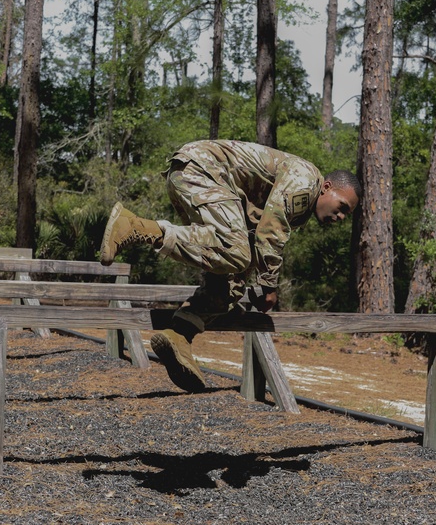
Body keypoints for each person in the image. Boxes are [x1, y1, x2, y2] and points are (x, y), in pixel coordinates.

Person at [98, 140, 361, 393]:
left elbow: (255, 233)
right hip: (202, 169)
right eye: (342, 207)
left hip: (197, 176)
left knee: (231, 282)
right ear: (327, 187)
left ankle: (180, 335)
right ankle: (138, 228)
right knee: (234, 252)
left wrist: (244, 281)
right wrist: (268, 286)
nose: (339, 217)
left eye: (345, 215)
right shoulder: (306, 180)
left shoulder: (302, 206)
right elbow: (270, 232)